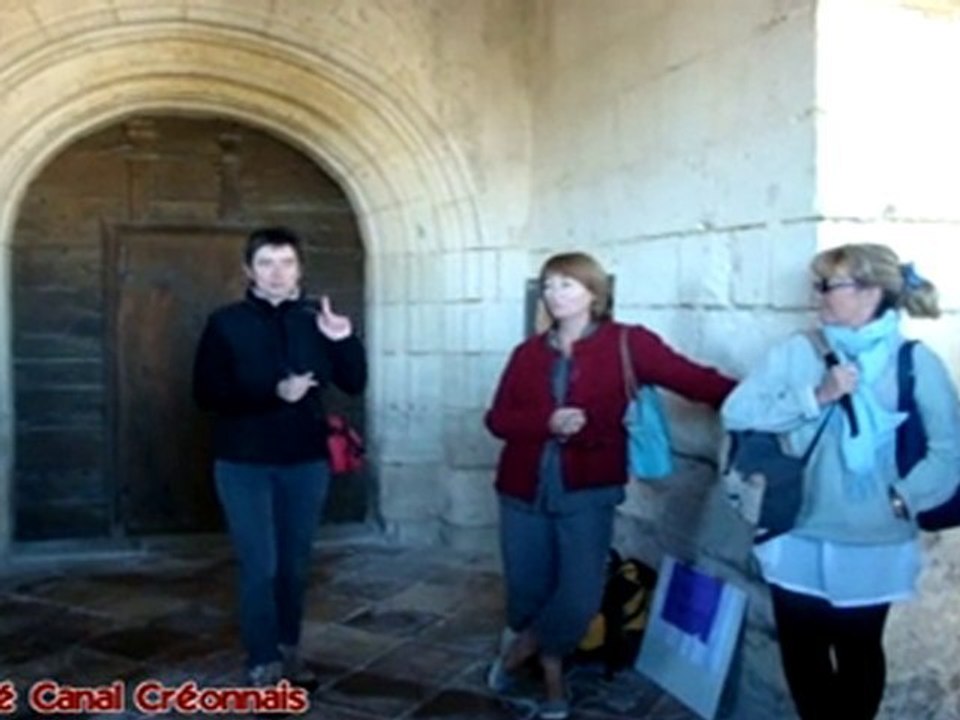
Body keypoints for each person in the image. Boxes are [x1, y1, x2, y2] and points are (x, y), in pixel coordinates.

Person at [484, 251, 735, 720]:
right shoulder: (527, 353)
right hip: (520, 491)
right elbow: (497, 419)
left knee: (578, 595)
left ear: (594, 294)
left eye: (568, 285)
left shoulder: (628, 343)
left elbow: (693, 379)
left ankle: (517, 655)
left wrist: (767, 398)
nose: (555, 295)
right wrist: (547, 421)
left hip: (587, 491)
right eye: (549, 285)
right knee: (527, 589)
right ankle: (553, 674)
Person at [721, 244, 960, 720]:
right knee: (802, 651)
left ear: (871, 292)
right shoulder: (798, 352)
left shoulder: (914, 361)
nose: (817, 297)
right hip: (796, 527)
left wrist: (904, 498)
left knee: (858, 650)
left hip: (871, 538)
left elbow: (948, 450)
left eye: (828, 285)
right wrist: (816, 396)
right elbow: (737, 410)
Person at [193, 226, 367, 686]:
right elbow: (206, 392)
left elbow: (354, 382)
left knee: (294, 563)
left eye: (287, 262)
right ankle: (263, 661)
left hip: (305, 462)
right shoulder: (225, 322)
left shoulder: (318, 320)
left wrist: (343, 339)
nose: (277, 273)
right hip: (243, 461)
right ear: (249, 270)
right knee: (261, 564)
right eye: (266, 263)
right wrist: (272, 392)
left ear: (300, 269)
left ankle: (290, 653)